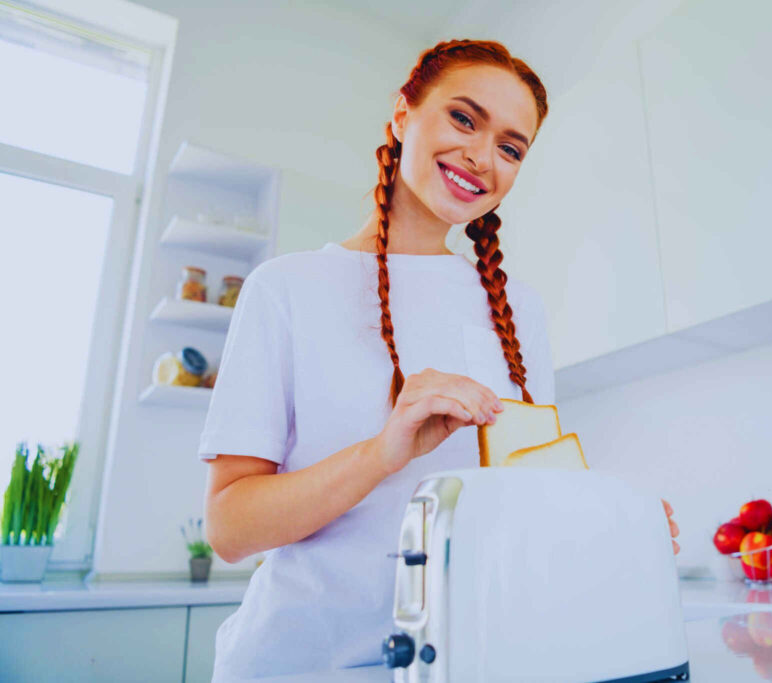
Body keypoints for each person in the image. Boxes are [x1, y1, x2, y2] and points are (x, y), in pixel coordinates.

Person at [198, 38, 680, 680]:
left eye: (511, 148)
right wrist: (383, 452)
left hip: (470, 663)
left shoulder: (518, 309)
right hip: (304, 664)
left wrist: (611, 530)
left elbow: (520, 514)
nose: (483, 156)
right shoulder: (286, 289)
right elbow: (230, 529)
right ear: (403, 115)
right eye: (464, 118)